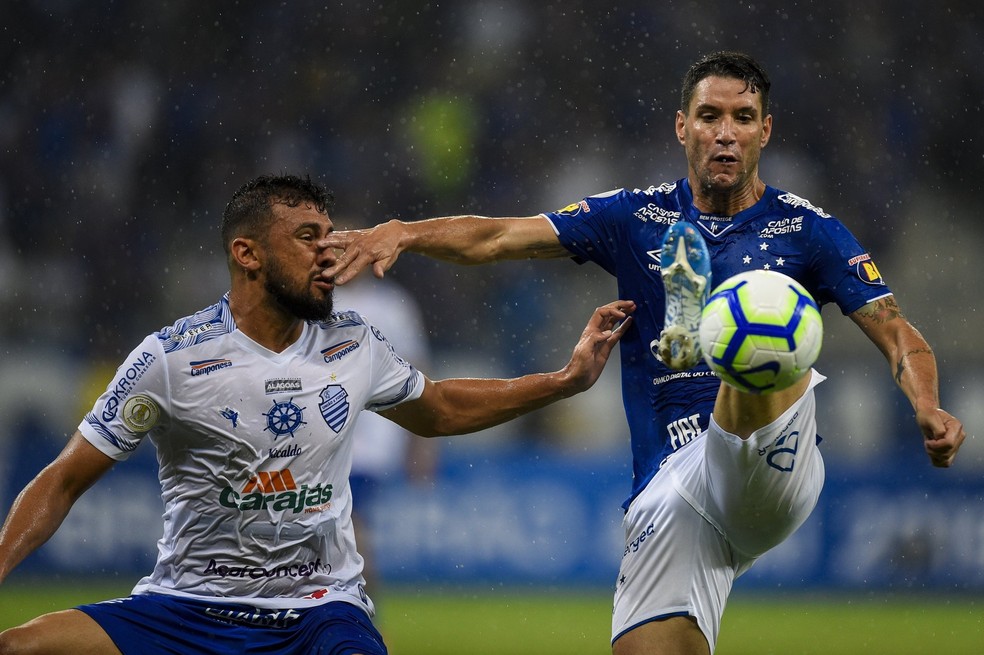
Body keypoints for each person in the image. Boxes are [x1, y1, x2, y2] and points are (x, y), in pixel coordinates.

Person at [322, 51, 967, 654]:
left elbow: (896, 331)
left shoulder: (809, 229)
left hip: (773, 458)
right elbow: (499, 237)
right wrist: (405, 231)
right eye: (709, 116)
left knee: (764, 310)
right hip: (675, 484)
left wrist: (927, 404)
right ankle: (708, 327)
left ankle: (713, 328)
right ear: (682, 127)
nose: (725, 133)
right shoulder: (633, 216)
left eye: (743, 118)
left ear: (765, 132)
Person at [0, 174, 634, 655]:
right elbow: (63, 480)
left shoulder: (352, 342)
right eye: (308, 239)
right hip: (185, 607)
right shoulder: (170, 359)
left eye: (330, 237)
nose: (329, 253)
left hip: (318, 613)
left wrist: (564, 381)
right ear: (247, 254)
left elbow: (439, 408)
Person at [332, 272, 438, 594]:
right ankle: (354, 604)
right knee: (340, 529)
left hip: (370, 438)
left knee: (347, 525)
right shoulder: (314, 298)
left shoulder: (391, 305)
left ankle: (359, 605)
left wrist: (421, 441)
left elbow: (418, 372)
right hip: (321, 433)